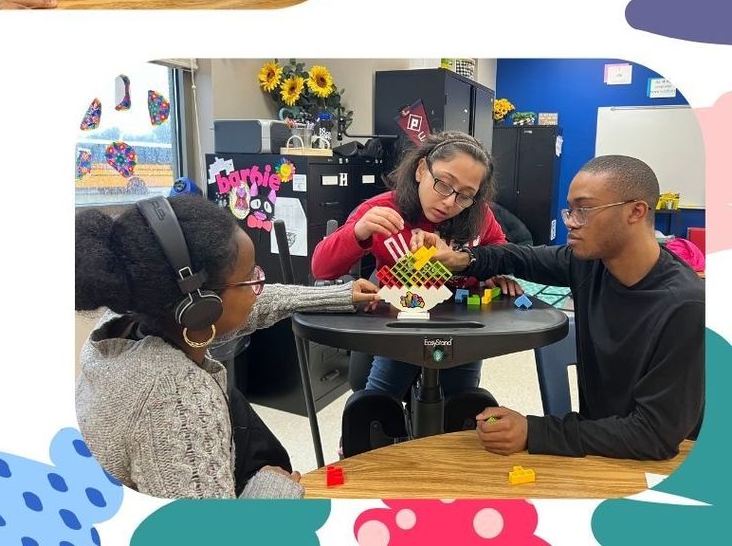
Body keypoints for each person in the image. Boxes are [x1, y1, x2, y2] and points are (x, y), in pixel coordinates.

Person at [74, 194, 380, 499]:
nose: (258, 289)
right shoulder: (176, 399)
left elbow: (258, 304)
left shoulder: (129, 323)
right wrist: (272, 490)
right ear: (202, 308)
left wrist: (341, 295)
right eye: (250, 279)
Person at [420, 155, 704, 460]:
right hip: (598, 447)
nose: (570, 222)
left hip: (660, 465)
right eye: (570, 210)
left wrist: (534, 432)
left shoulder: (685, 307)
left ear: (635, 211)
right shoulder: (589, 264)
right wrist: (462, 259)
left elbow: (655, 435)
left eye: (584, 210)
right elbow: (518, 257)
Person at [312, 132, 513, 403]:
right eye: (443, 184)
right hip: (402, 322)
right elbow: (321, 269)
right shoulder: (382, 210)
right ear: (421, 169)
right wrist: (357, 233)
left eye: (466, 195)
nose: (450, 202)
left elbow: (500, 247)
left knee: (461, 403)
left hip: (462, 328)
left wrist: (494, 271)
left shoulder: (479, 215)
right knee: (379, 404)